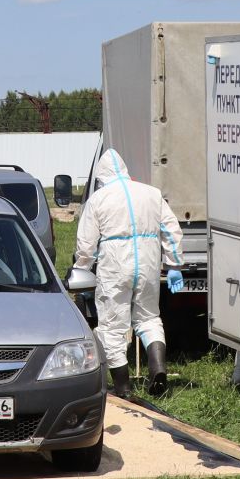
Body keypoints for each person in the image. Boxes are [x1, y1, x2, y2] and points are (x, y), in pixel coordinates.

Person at [73, 149, 182, 397]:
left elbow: (86, 243)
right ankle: (157, 367)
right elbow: (171, 228)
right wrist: (174, 265)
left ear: (101, 176)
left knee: (112, 327)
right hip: (148, 261)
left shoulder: (98, 200)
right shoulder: (151, 194)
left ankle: (123, 388)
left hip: (114, 263)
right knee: (149, 317)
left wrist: (81, 267)